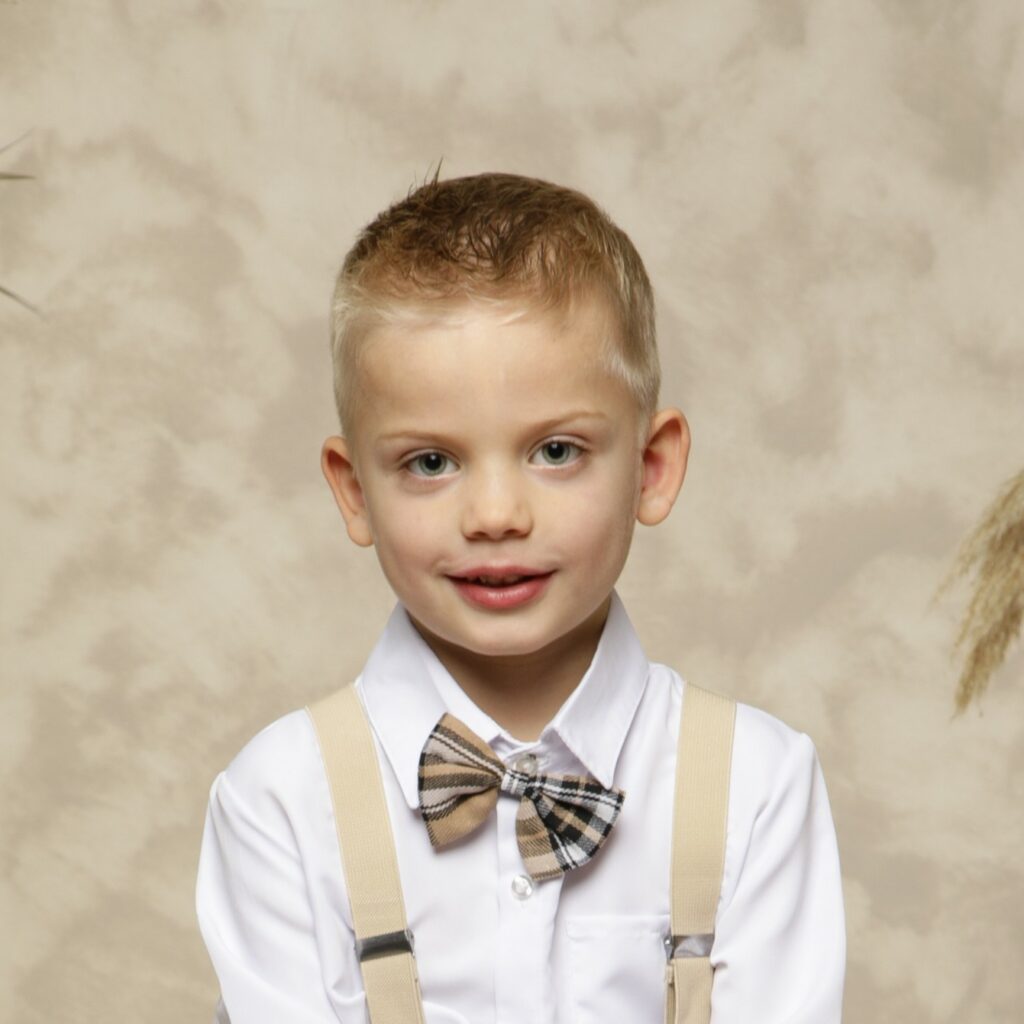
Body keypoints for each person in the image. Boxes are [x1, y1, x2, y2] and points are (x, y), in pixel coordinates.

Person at [195, 171, 846, 1023]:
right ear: (354, 492)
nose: (496, 515)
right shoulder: (280, 800)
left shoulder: (755, 786)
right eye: (431, 462)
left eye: (556, 451)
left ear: (651, 468)